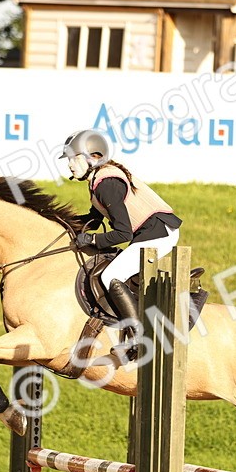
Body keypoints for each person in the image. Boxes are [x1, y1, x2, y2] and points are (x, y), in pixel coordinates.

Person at [62, 128, 183, 358]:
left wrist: (93, 240)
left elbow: (123, 233)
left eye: (73, 159)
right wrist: (64, 224)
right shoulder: (98, 179)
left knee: (110, 276)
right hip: (149, 232)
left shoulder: (107, 183)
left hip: (159, 233)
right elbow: (95, 219)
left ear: (93, 157)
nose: (69, 165)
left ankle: (139, 337)